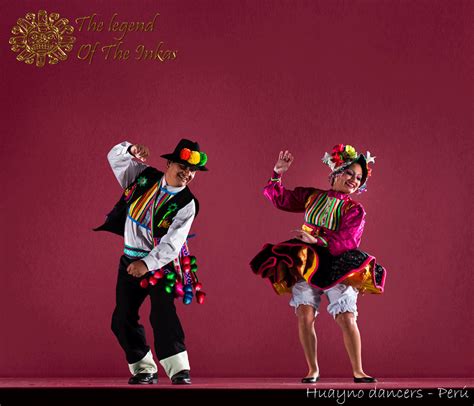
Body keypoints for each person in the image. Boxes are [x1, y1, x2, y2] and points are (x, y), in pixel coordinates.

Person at [250, 144, 386, 384]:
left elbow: (349, 239)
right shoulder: (313, 196)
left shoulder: (354, 209)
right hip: (306, 260)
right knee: (304, 314)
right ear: (335, 172)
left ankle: (358, 370)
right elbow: (281, 199)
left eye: (358, 178)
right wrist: (277, 173)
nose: (354, 180)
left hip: (337, 262)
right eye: (349, 173)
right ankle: (312, 369)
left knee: (346, 316)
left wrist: (318, 239)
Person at [94, 139, 208, 385]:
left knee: (162, 313)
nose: (187, 173)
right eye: (182, 166)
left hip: (161, 265)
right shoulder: (143, 177)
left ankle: (179, 370)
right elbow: (114, 158)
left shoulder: (187, 203)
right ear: (168, 163)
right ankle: (144, 369)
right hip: (129, 260)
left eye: (192, 170)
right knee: (122, 318)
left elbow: (172, 244)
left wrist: (146, 264)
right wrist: (131, 150)